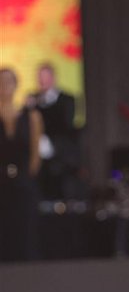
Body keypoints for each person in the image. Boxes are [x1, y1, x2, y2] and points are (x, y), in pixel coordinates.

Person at [0, 67, 44, 261]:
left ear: (16, 85)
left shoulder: (31, 116)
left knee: (25, 233)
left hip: (23, 182)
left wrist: (27, 177)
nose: (4, 86)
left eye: (8, 82)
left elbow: (36, 152)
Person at [25, 62, 79, 200]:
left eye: (45, 77)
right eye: (40, 78)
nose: (42, 81)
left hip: (60, 156)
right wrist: (30, 107)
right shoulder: (33, 100)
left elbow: (66, 125)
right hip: (38, 159)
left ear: (53, 78)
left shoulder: (66, 99)